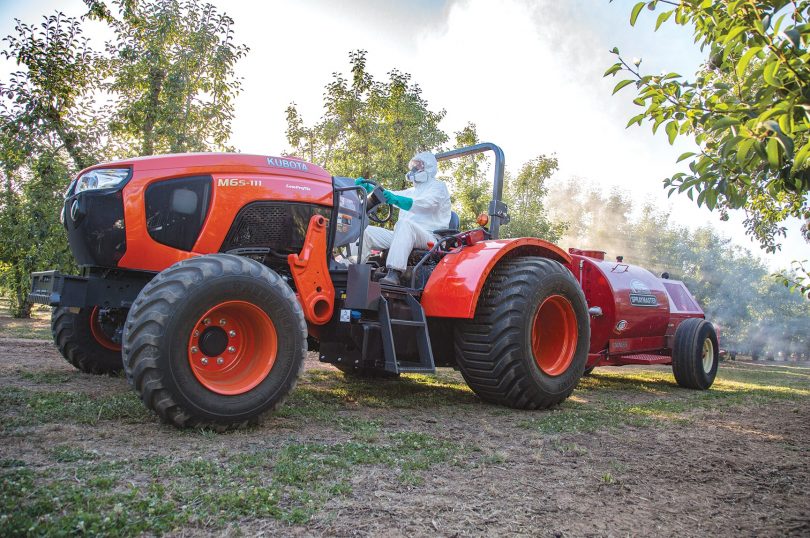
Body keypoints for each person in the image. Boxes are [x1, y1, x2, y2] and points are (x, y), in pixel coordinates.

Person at [355, 151, 451, 286]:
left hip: (430, 237)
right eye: (413, 165)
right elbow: (390, 194)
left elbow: (425, 204)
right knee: (366, 231)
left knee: (404, 224)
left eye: (419, 166)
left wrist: (396, 199)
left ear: (429, 167)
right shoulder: (412, 191)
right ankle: (349, 269)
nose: (414, 169)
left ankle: (393, 274)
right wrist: (369, 188)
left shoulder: (438, 187)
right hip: (404, 235)